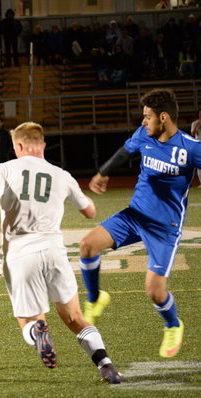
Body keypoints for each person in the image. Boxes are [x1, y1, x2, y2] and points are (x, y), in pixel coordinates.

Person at [0, 121, 123, 384]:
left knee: (28, 321)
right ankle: (106, 365)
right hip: (55, 253)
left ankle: (37, 332)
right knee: (74, 317)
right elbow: (89, 212)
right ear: (42, 144)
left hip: (20, 255)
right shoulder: (61, 175)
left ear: (18, 145)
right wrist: (85, 198)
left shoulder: (5, 169)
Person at [79, 88, 200, 358]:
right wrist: (103, 173)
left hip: (164, 229)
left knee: (154, 292)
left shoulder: (191, 148)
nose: (143, 122)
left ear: (164, 117)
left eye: (148, 117)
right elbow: (125, 151)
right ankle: (95, 298)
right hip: (134, 216)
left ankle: (173, 325)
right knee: (87, 245)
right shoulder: (144, 135)